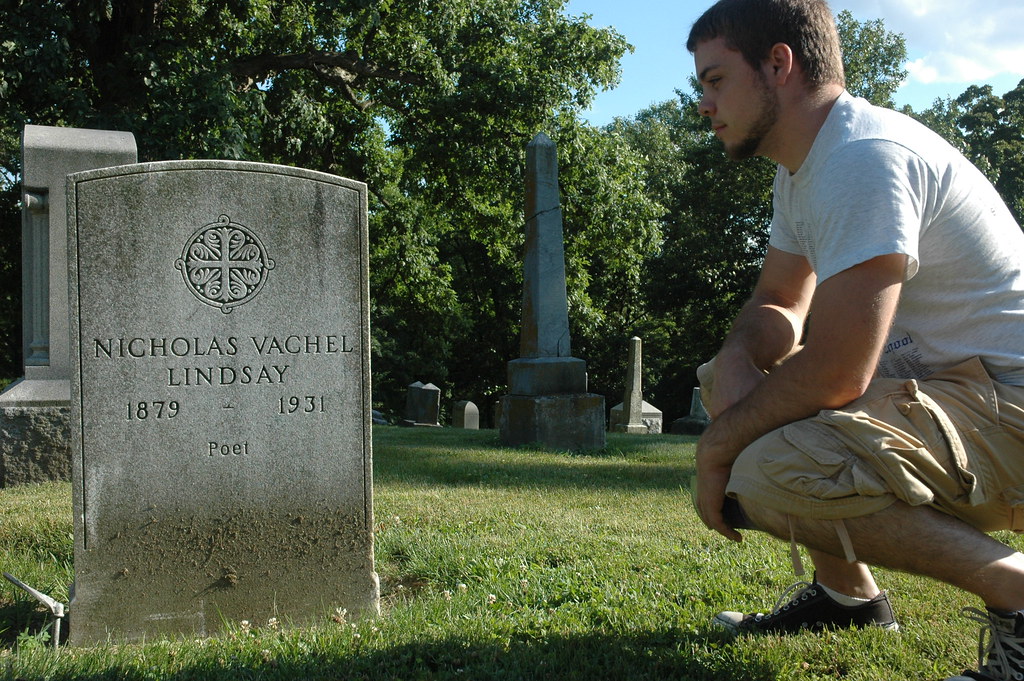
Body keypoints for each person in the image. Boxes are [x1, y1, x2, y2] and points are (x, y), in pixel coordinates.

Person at [685, 0, 1024, 679]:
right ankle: (848, 597)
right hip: (955, 391)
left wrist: (718, 446)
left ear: (779, 64)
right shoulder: (805, 168)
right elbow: (779, 301)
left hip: (1006, 406)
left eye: (716, 80)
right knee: (729, 379)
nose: (703, 103)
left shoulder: (862, 158)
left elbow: (839, 369)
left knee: (766, 471)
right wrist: (737, 356)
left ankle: (1017, 590)